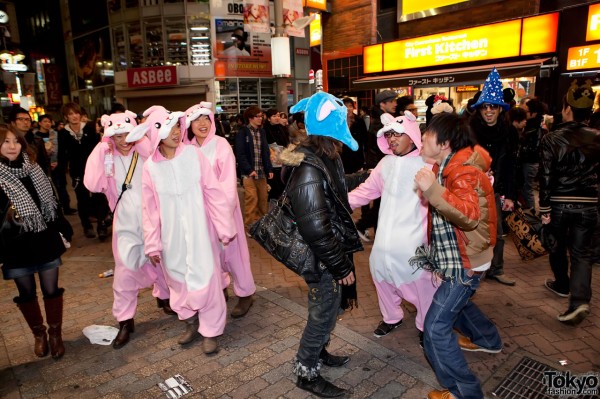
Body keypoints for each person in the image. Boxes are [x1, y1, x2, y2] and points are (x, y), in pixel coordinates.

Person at [126, 106, 235, 354]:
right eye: (169, 129)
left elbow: (214, 193)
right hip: (171, 238)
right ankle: (189, 322)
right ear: (156, 135)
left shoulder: (194, 156)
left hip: (200, 233)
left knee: (206, 279)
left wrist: (224, 226)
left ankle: (211, 331)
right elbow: (149, 210)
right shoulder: (151, 169)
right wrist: (152, 243)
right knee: (178, 282)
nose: (177, 132)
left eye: (177, 126)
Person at [413, 112, 502, 399]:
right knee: (458, 304)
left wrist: (432, 189)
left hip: (467, 261)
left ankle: (465, 392)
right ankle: (488, 339)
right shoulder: (447, 165)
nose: (423, 138)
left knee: (436, 329)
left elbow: (468, 216)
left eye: (428, 134)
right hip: (465, 256)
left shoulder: (462, 170)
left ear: (445, 142)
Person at [281, 92, 363, 397]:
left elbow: (337, 187)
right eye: (345, 121)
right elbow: (315, 227)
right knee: (323, 313)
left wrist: (368, 177)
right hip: (322, 257)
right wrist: (340, 265)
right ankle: (306, 370)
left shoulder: (325, 157)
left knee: (328, 310)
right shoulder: (309, 167)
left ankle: (319, 352)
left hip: (328, 253)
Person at [84, 111, 174, 349]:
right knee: (125, 270)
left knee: (161, 259)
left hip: (154, 217)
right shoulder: (107, 157)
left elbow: (162, 167)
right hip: (125, 222)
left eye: (128, 134)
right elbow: (92, 184)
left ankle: (164, 297)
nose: (124, 140)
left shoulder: (144, 154)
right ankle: (125, 320)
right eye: (118, 135)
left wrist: (142, 140)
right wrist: (102, 148)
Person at [348, 112, 437, 344]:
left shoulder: (427, 163)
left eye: (397, 134)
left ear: (412, 135)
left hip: (414, 238)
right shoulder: (384, 163)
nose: (392, 139)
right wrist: (340, 203)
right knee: (380, 272)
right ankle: (391, 317)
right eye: (388, 135)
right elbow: (367, 190)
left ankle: (426, 324)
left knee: (421, 282)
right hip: (384, 239)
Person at [183, 101, 256, 318]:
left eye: (206, 118)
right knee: (209, 255)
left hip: (224, 210)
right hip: (199, 214)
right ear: (189, 124)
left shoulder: (221, 144)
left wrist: (223, 212)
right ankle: (219, 289)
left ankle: (245, 293)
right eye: (197, 120)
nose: (202, 123)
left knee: (234, 254)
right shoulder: (187, 149)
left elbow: (227, 181)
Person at [0, 126, 68, 359]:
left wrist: (62, 229)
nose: (12, 146)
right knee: (26, 292)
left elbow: (51, 203)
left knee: (52, 289)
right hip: (15, 245)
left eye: (16, 141)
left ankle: (55, 334)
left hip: (44, 238)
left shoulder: (34, 168)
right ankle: (38, 334)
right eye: (6, 142)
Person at [540, 79, 600, 326]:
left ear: (567, 108)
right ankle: (579, 301)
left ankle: (561, 283)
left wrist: (543, 209)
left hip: (559, 203)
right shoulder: (598, 138)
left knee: (556, 245)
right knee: (582, 253)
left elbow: (545, 177)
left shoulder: (552, 139)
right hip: (588, 204)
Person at [469, 68, 517, 286]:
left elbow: (512, 166)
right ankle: (471, 268)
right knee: (469, 229)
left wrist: (510, 195)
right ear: (479, 110)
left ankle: (496, 269)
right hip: (470, 189)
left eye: (493, 107)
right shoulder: (469, 131)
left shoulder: (509, 132)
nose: (489, 111)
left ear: (500, 109)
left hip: (496, 191)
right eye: (485, 107)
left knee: (496, 231)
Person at [57, 102, 109, 240]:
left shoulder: (91, 128)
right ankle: (87, 226)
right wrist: (61, 171)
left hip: (95, 169)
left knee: (99, 197)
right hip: (77, 171)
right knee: (82, 199)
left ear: (80, 114)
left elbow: (99, 148)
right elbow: (62, 154)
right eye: (70, 114)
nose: (74, 116)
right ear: (66, 117)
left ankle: (101, 225)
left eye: (76, 113)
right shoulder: (62, 133)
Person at [356, 90, 397, 242]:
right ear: (382, 104)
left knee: (381, 202)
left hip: (380, 164)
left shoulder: (383, 120)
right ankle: (361, 225)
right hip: (379, 166)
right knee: (382, 202)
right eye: (391, 101)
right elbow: (379, 148)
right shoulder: (380, 123)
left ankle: (374, 230)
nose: (395, 103)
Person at [234, 106, 273, 229]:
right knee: (252, 199)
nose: (260, 119)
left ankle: (263, 226)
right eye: (258, 116)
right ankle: (250, 226)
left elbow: (265, 152)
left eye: (261, 116)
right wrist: (248, 169)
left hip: (261, 171)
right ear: (250, 118)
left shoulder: (262, 132)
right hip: (248, 173)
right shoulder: (242, 132)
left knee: (263, 199)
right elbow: (240, 154)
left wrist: (269, 169)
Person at [35, 115, 76, 215]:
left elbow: (61, 150)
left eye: (49, 121)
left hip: (57, 165)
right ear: (39, 123)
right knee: (47, 188)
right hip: (43, 166)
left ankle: (66, 207)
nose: (47, 123)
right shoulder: (35, 136)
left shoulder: (56, 134)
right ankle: (53, 209)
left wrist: (58, 161)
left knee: (61, 186)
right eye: (45, 121)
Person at [519, 98, 547, 210]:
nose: (525, 114)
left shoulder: (535, 129)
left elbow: (532, 149)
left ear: (533, 113)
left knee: (527, 190)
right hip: (530, 163)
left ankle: (531, 217)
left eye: (527, 111)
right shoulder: (535, 126)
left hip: (530, 163)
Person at [8, 107, 50, 175]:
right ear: (12, 122)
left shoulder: (37, 140)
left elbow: (44, 163)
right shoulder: (6, 141)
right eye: (21, 119)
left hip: (36, 176)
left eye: (28, 119)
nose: (25, 122)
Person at [263, 108, 289, 199]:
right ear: (269, 118)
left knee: (283, 184)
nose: (277, 118)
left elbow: (286, 142)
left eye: (278, 115)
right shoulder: (264, 130)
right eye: (274, 116)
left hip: (282, 160)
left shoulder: (282, 128)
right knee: (274, 186)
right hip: (272, 160)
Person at [340, 98, 367, 174]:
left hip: (356, 155)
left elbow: (364, 139)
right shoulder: (339, 121)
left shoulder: (359, 120)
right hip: (343, 155)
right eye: (345, 106)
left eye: (350, 106)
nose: (348, 108)